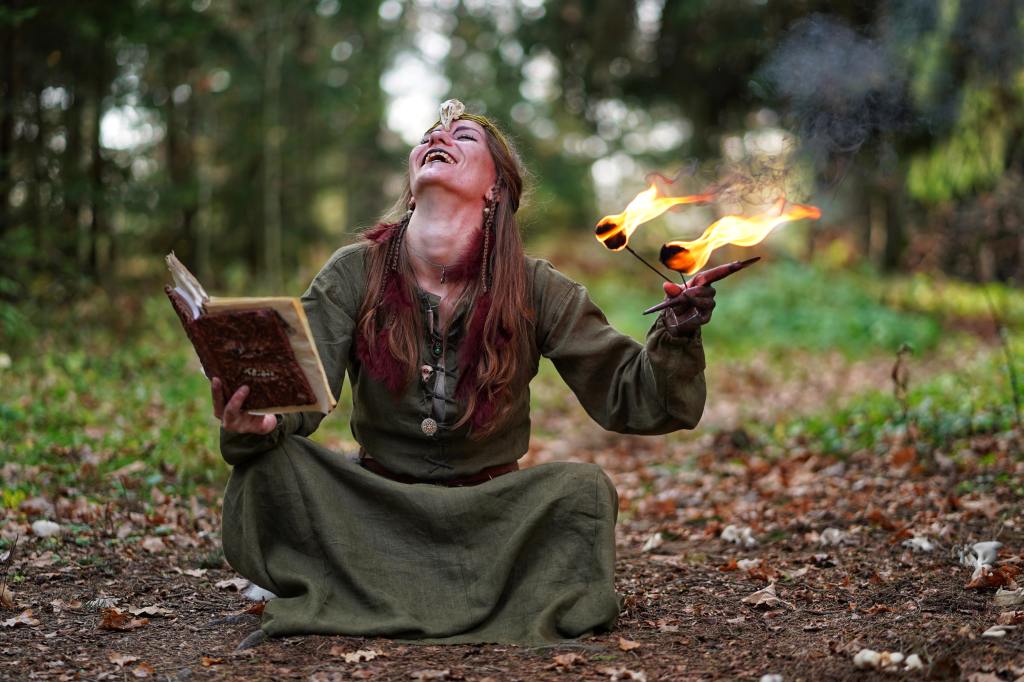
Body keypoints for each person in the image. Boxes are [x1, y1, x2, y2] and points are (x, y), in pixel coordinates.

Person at [209, 100, 715, 647]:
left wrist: (678, 335)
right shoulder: (354, 271)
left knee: (583, 491)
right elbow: (300, 393)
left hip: (491, 519)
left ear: (497, 188)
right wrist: (259, 420)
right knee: (269, 469)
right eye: (430, 132)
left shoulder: (537, 285)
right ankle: (453, 596)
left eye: (465, 136)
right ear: (411, 176)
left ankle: (366, 593)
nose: (440, 136)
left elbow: (634, 397)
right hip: (375, 512)